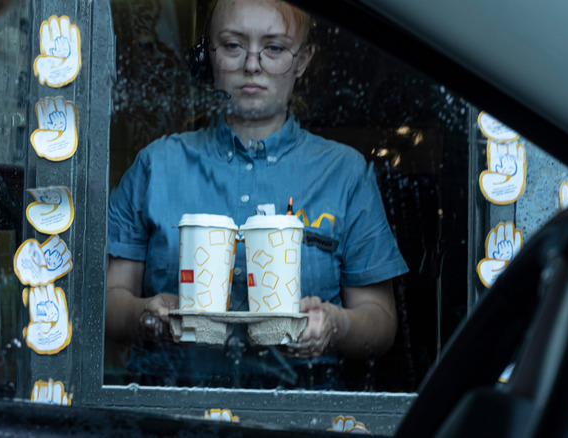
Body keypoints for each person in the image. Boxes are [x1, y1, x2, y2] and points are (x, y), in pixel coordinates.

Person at [106, 0, 408, 388]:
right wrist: (144, 317)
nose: (252, 64)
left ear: (303, 60)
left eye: (275, 48)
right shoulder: (157, 166)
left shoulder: (344, 173)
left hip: (300, 414)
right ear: (209, 54)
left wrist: (336, 325)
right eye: (233, 45)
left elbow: (380, 320)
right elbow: (109, 301)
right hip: (171, 410)